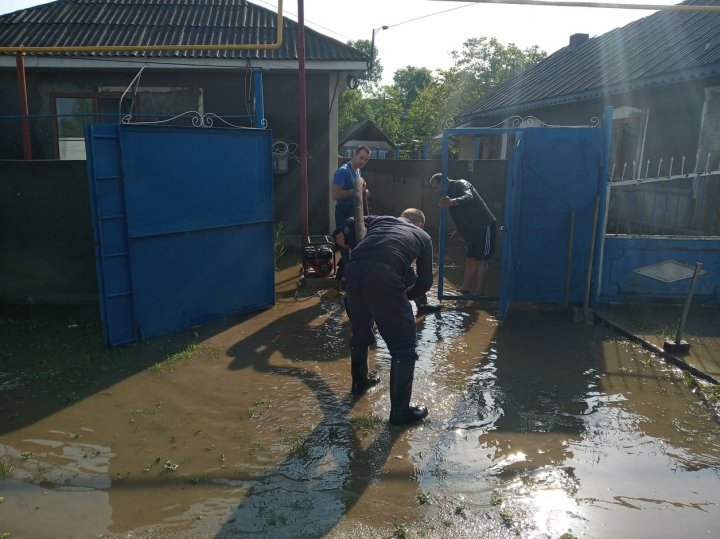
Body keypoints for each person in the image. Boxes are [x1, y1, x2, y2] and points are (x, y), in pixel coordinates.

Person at [332, 209, 432, 426]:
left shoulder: (382, 218)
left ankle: (360, 383)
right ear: (419, 224)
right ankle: (400, 413)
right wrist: (402, 298)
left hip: (354, 272)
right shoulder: (423, 236)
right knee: (404, 347)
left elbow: (350, 219)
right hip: (384, 275)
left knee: (360, 331)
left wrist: (347, 239)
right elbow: (425, 283)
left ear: (402, 216)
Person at [430, 173, 496, 297]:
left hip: (483, 225)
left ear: (443, 182)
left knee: (482, 259)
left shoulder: (461, 184)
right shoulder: (447, 196)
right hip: (470, 229)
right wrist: (458, 230)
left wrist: (453, 201)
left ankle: (479, 291)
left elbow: (468, 196)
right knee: (470, 258)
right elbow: (459, 215)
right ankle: (465, 287)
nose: (436, 191)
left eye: (436, 187)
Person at [332, 145, 371, 229]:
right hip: (343, 212)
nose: (363, 161)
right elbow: (335, 195)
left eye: (366, 160)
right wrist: (356, 192)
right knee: (343, 240)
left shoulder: (358, 171)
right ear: (354, 154)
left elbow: (359, 188)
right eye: (361, 157)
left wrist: (364, 192)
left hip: (355, 211)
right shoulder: (343, 171)